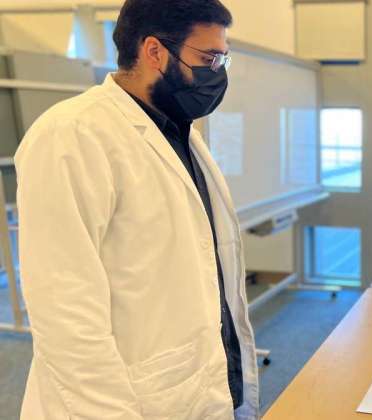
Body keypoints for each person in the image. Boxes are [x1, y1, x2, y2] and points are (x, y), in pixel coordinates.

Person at [14, 1, 259, 418]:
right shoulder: (72, 135)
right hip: (123, 401)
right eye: (208, 59)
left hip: (195, 384)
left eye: (223, 60)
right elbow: (65, 312)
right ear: (154, 51)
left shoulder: (181, 134)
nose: (217, 74)